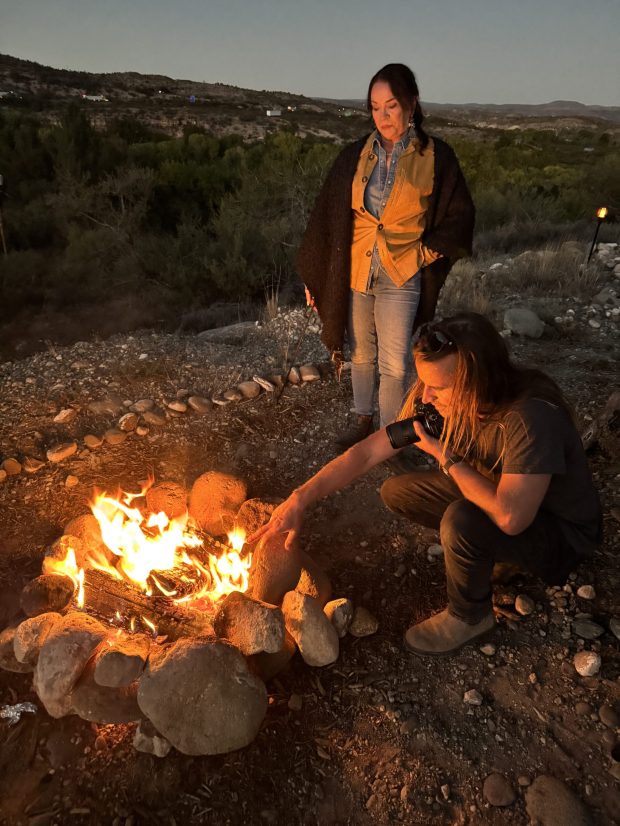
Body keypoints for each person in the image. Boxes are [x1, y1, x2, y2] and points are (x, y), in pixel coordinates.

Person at [249, 313, 602, 656]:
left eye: (439, 387)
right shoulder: (444, 406)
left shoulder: (530, 418)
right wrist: (300, 498)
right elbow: (367, 454)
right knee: (398, 491)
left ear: (477, 383)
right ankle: (490, 553)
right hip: (495, 492)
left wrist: (446, 457)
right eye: (424, 382)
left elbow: (511, 518)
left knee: (460, 520)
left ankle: (470, 616)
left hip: (560, 535)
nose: (426, 397)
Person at [297, 63, 475, 449]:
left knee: (394, 363)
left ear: (412, 103)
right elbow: (326, 217)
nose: (383, 116)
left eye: (391, 106)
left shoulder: (437, 157)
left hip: (401, 274)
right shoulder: (355, 155)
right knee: (361, 354)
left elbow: (460, 214)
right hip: (357, 270)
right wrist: (317, 276)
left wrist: (424, 254)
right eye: (375, 108)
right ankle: (363, 421)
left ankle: (390, 438)